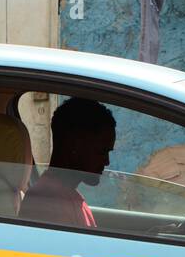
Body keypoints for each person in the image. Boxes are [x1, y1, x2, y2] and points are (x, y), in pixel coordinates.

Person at [20, 97, 115, 228]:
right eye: (101, 152)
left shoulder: (67, 197)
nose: (107, 161)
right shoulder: (47, 206)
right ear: (75, 146)